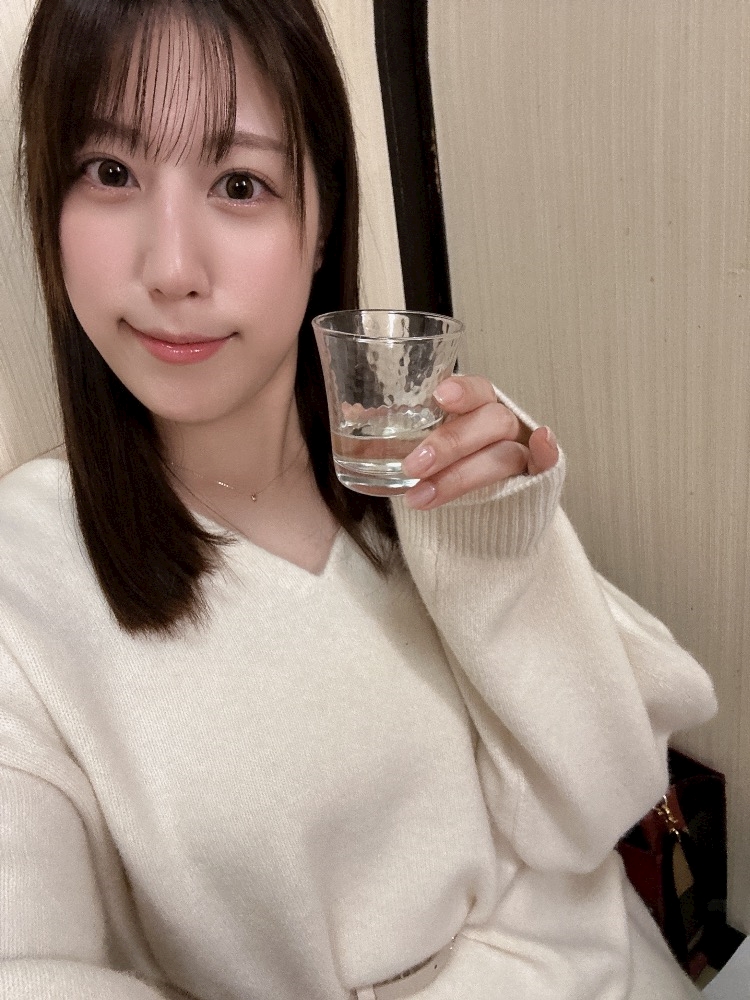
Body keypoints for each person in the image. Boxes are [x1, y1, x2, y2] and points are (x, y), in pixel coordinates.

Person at [0, 0, 717, 997]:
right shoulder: (26, 583)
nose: (171, 270)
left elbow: (603, 804)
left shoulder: (423, 454)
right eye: (110, 172)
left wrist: (502, 560)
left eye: (239, 183)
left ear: (322, 218)